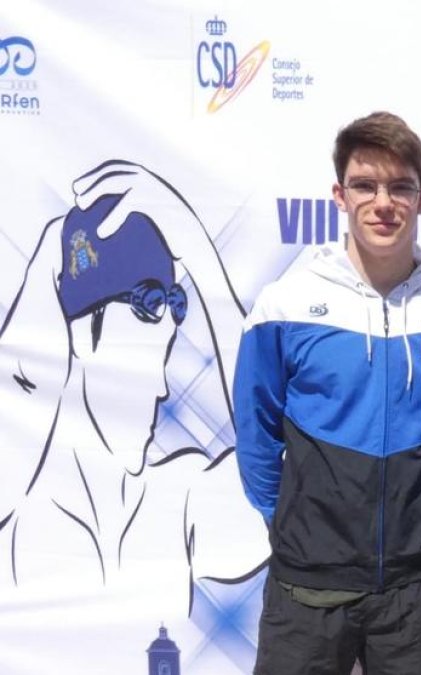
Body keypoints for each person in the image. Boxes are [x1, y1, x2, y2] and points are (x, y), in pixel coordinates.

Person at [233, 111, 421, 675]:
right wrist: (299, 527)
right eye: (365, 186)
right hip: (306, 588)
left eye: (400, 187)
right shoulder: (285, 303)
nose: (383, 202)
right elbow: (254, 441)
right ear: (339, 196)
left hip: (413, 591)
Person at [0, 160, 269, 671]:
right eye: (144, 365)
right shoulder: (14, 513)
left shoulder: (178, 502)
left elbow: (284, 474)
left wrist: (202, 258)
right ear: (77, 337)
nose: (164, 387)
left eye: (164, 361)